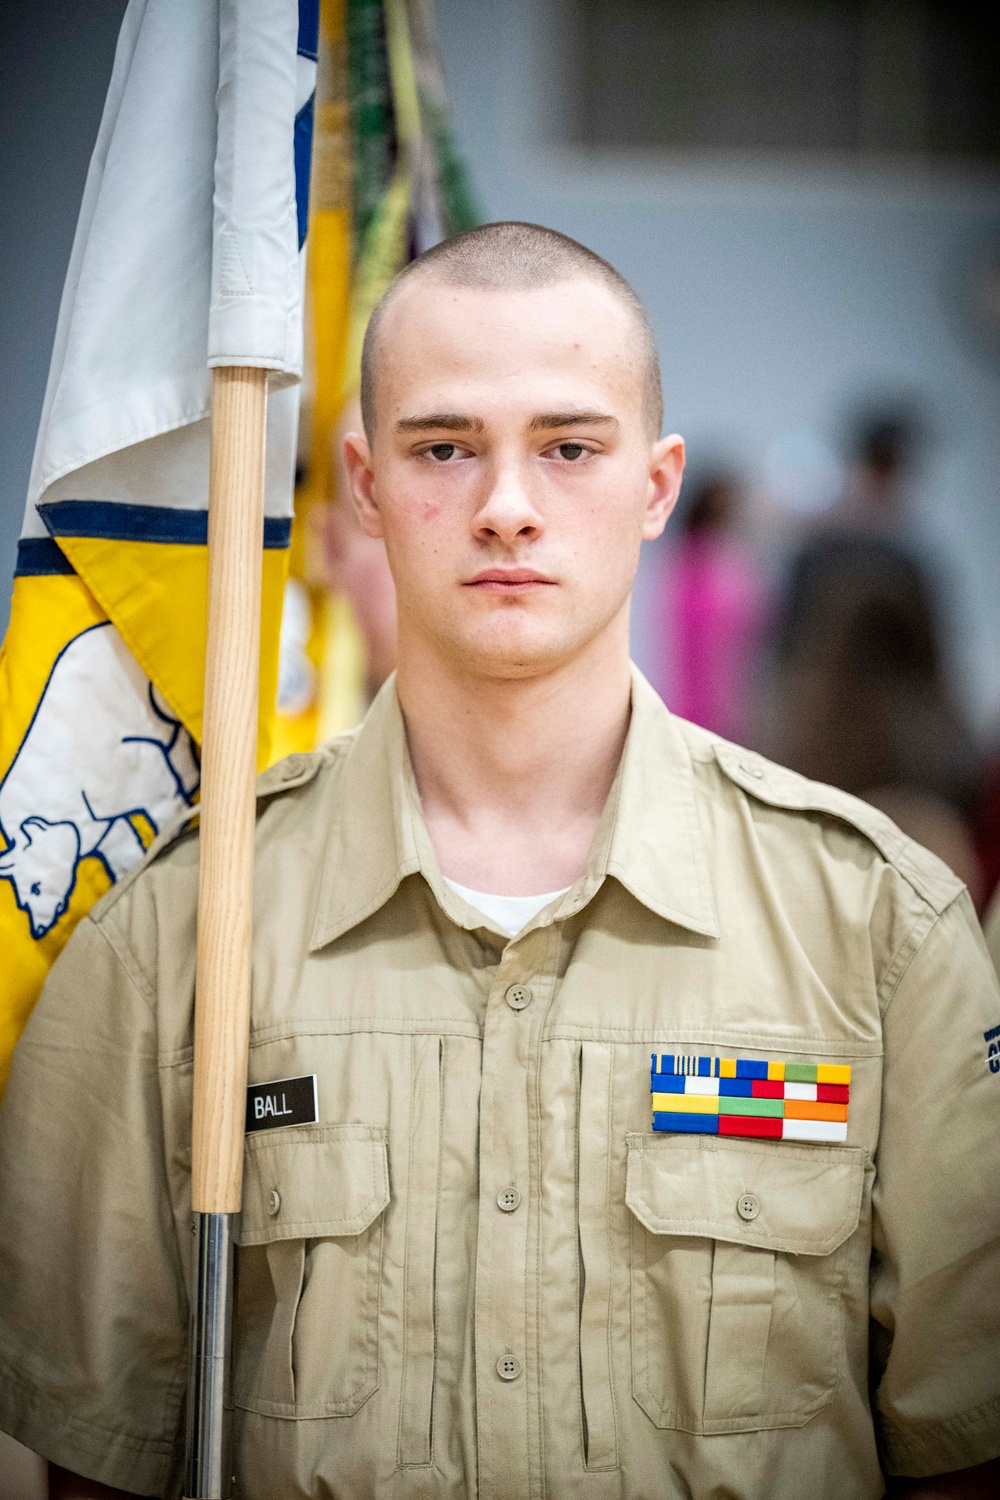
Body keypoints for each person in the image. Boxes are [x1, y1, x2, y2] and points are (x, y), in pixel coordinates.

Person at [0, 223, 997, 1500]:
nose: (508, 505)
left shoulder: (872, 928)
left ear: (655, 482)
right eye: (443, 448)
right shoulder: (181, 934)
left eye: (570, 448)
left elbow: (963, 1450)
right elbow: (101, 1464)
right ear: (363, 483)